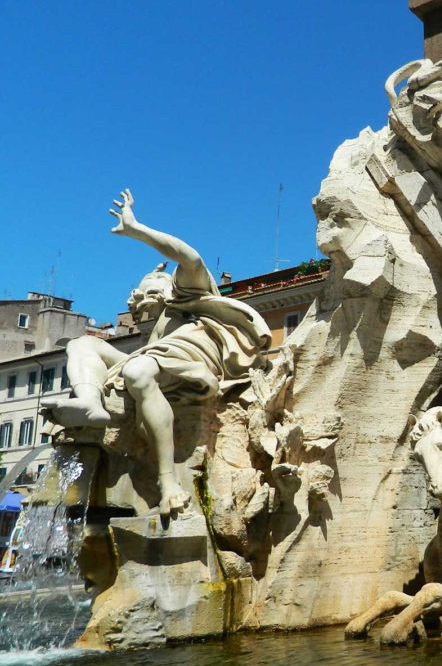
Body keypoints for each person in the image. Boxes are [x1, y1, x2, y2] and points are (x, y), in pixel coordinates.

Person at [43, 190, 271, 516]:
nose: (137, 295)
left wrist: (137, 229)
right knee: (82, 344)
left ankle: (168, 480)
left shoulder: (186, 294)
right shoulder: (151, 334)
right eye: (137, 294)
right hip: (154, 361)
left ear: (167, 287)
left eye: (149, 285)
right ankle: (91, 403)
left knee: (137, 370)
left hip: (193, 358)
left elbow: (189, 256)